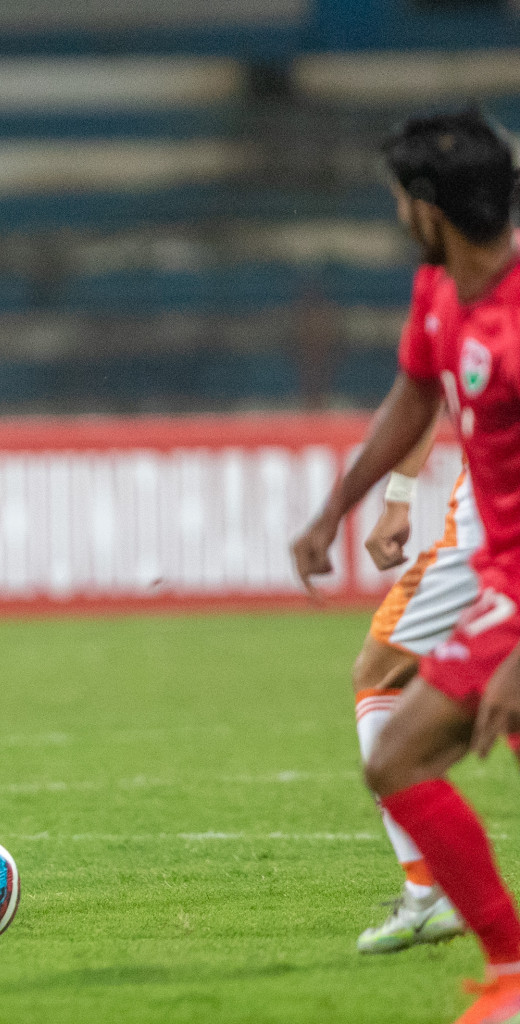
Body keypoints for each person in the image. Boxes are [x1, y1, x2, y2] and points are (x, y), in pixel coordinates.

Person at [293, 108, 520, 1024]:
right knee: (397, 760)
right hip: (499, 576)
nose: (394, 211)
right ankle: (510, 975)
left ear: (428, 207)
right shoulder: (440, 289)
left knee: (401, 746)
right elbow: (413, 392)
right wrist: (337, 508)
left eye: (398, 196)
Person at [352, 415, 480, 953]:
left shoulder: (474, 329)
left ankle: (426, 892)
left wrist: (395, 501)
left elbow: (424, 395)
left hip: (487, 537)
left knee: (377, 674)